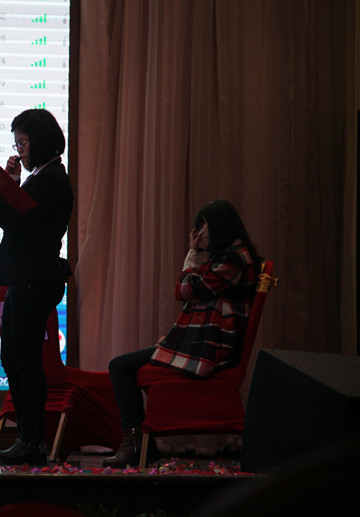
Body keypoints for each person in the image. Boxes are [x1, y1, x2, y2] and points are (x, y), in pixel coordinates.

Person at [103, 199, 262, 468]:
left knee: (119, 367)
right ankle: (140, 445)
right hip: (203, 345)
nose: (198, 232)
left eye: (202, 225)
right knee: (123, 366)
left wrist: (191, 253)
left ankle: (135, 445)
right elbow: (189, 291)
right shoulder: (229, 257)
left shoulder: (233, 259)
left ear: (219, 225)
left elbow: (186, 290)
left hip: (209, 352)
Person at [0, 109, 73, 466]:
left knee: (25, 360)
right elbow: (21, 213)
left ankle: (32, 440)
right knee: (13, 358)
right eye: (17, 144)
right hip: (23, 278)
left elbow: (17, 223)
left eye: (22, 143)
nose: (19, 150)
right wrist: (9, 181)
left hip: (34, 279)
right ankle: (27, 437)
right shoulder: (41, 176)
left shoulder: (52, 179)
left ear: (39, 141)